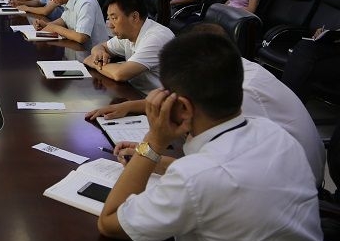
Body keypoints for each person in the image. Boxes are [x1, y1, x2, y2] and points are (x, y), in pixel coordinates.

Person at [96, 33, 329, 241]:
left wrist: (152, 142)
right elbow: (232, 174)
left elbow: (109, 223)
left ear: (183, 106)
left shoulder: (194, 179)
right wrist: (158, 161)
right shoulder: (275, 134)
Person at [86, 23, 325, 186]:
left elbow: (211, 171)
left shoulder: (241, 94)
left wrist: (150, 151)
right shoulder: (232, 71)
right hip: (273, 171)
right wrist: (132, 106)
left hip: (287, 185)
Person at [83, 0, 174, 91]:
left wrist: (95, 63)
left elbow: (120, 74)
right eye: (109, 18)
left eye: (114, 18)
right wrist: (98, 52)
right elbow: (101, 47)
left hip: (156, 102)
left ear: (134, 17)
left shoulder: (156, 38)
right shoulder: (128, 33)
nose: (110, 25)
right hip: (134, 91)